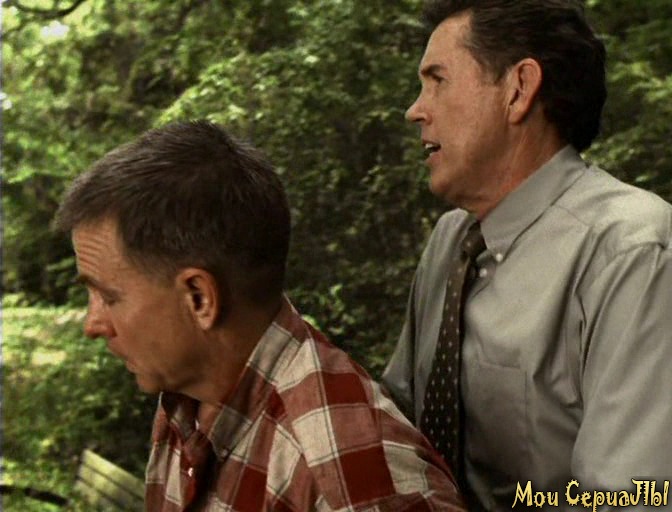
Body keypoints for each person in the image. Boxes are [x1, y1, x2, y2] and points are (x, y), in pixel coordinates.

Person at [54, 120, 465, 511]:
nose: (93, 325)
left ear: (199, 298)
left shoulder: (353, 487)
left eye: (109, 297)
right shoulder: (186, 404)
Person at [382, 0, 672, 510]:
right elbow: (398, 424)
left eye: (437, 80)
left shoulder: (633, 252)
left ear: (518, 89)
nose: (416, 109)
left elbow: (631, 498)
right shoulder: (451, 241)